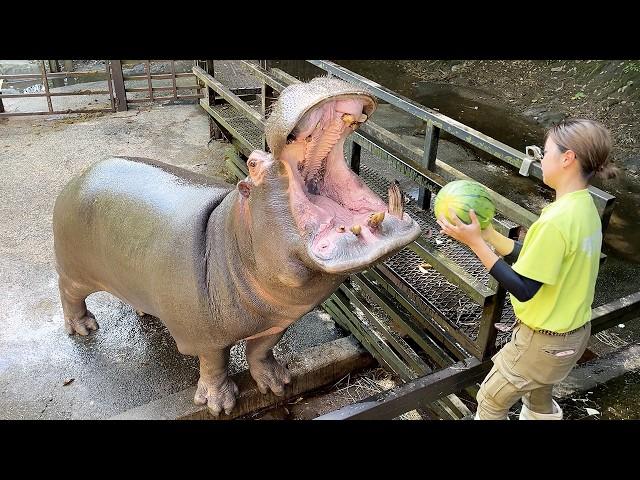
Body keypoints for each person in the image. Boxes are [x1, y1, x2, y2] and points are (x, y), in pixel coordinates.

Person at [437, 118, 613, 420]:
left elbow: (524, 288)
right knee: (538, 395)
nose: (541, 159)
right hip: (572, 336)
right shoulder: (583, 209)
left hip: (543, 342)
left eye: (545, 152)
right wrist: (489, 236)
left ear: (567, 158)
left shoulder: (555, 221)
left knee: (491, 399)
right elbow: (536, 260)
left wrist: (476, 245)